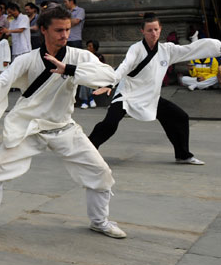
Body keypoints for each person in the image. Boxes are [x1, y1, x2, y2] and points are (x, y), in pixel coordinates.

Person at [0, 6, 124, 239]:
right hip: (30, 127)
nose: (64, 35)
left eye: (67, 30)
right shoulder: (27, 59)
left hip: (63, 127)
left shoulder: (78, 56)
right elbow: (2, 82)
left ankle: (100, 221)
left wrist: (68, 69)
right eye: (59, 30)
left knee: (101, 172)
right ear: (44, 31)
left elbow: (109, 75)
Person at [88, 13, 221, 165]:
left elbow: (190, 50)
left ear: (160, 29)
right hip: (128, 95)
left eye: (156, 29)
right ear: (142, 31)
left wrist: (218, 47)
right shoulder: (136, 49)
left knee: (180, 117)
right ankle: (87, 150)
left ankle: (183, 155)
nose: (154, 33)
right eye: (150, 30)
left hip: (151, 97)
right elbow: (124, 67)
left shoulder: (167, 50)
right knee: (110, 124)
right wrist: (110, 83)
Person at [76, 41, 105, 108]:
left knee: (88, 78)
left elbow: (102, 67)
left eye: (90, 46)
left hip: (96, 74)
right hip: (85, 74)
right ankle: (89, 99)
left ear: (95, 47)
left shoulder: (99, 56)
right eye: (87, 46)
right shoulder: (84, 55)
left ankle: (85, 100)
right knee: (85, 79)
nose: (88, 48)